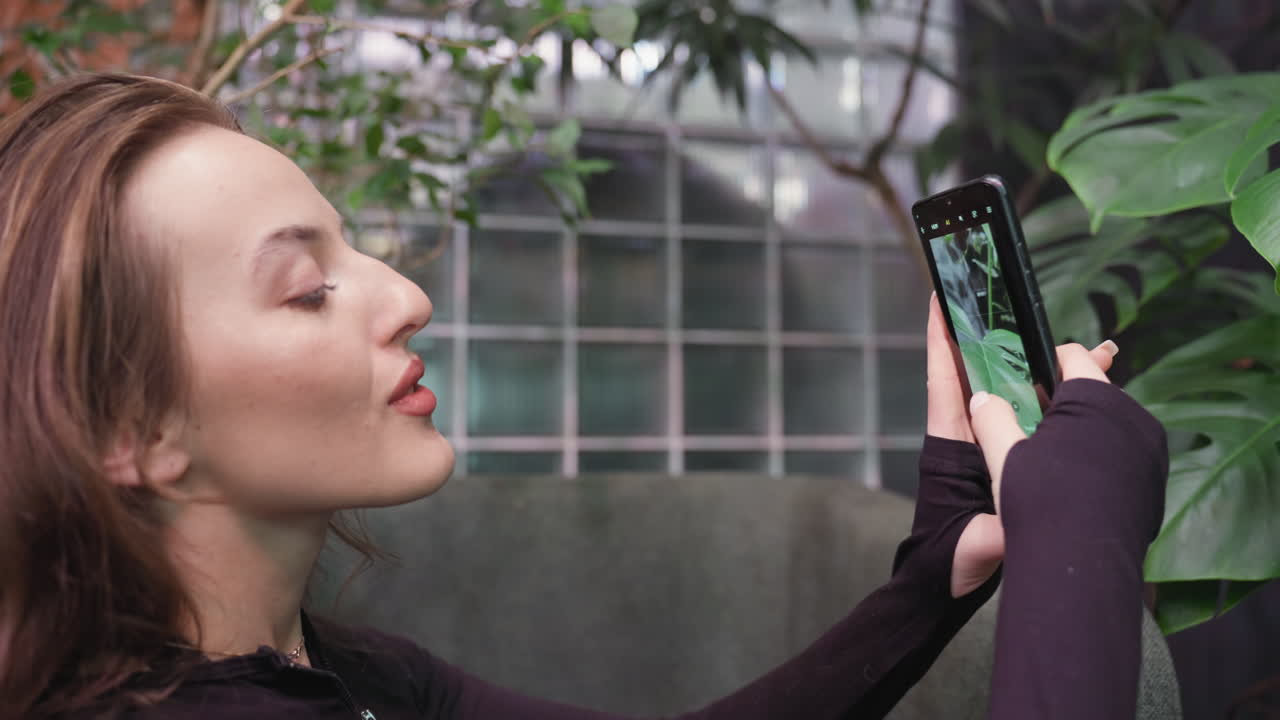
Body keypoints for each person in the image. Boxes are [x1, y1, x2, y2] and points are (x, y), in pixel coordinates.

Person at [0, 73, 1167, 720]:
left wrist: (929, 577)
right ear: (131, 431)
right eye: (305, 290)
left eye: (361, 251)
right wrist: (1083, 542)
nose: (404, 296)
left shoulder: (334, 670)